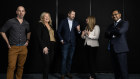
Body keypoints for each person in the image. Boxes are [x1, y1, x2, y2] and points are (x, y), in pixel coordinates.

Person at [0, 6, 31, 79]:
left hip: (23, 48)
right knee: (11, 66)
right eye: (19, 11)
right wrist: (7, 43)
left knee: (20, 66)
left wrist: (28, 40)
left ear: (25, 12)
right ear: (16, 12)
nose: (21, 12)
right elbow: (2, 31)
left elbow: (29, 32)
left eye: (22, 11)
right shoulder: (10, 21)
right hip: (13, 47)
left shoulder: (26, 23)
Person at [105, 9, 129, 79]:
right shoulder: (111, 25)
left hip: (121, 50)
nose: (114, 16)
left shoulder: (124, 23)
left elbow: (120, 31)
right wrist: (115, 30)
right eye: (113, 15)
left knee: (123, 70)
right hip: (112, 49)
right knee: (116, 70)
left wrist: (111, 32)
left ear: (120, 15)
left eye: (116, 14)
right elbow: (106, 35)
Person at [57, 10, 81, 79]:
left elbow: (79, 34)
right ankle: (62, 74)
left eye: (74, 14)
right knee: (64, 58)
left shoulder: (76, 22)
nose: (74, 16)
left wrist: (79, 30)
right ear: (68, 14)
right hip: (65, 43)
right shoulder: (63, 21)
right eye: (72, 14)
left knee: (70, 59)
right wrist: (61, 39)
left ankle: (68, 72)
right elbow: (58, 31)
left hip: (73, 44)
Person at [37, 12, 56, 79]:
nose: (47, 17)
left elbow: (52, 36)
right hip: (45, 47)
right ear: (42, 17)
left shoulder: (50, 25)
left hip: (52, 46)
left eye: (48, 16)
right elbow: (39, 37)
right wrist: (43, 47)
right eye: (45, 16)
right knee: (46, 63)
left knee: (49, 63)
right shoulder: (40, 24)